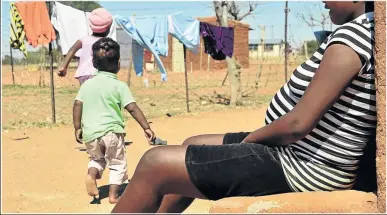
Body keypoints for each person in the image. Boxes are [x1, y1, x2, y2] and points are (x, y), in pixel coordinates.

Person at [112, 1, 376, 213]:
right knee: (191, 142)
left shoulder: (352, 38)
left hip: (305, 166)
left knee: (153, 162)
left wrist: (251, 140)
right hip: (296, 152)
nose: (322, 1)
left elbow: (297, 125)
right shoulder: (366, 30)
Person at [73, 37, 156, 204]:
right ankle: (113, 196)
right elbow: (132, 107)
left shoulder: (87, 85)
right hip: (112, 133)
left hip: (90, 133)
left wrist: (77, 127)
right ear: (118, 63)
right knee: (117, 163)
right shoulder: (119, 86)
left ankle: (91, 175)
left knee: (97, 160)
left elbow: (77, 104)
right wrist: (146, 127)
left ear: (94, 64)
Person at [58, 8, 113, 85]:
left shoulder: (83, 39)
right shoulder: (107, 42)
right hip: (99, 74)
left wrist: (64, 67)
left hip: (83, 74)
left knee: (86, 94)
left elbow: (72, 50)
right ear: (108, 29)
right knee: (98, 95)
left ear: (90, 25)